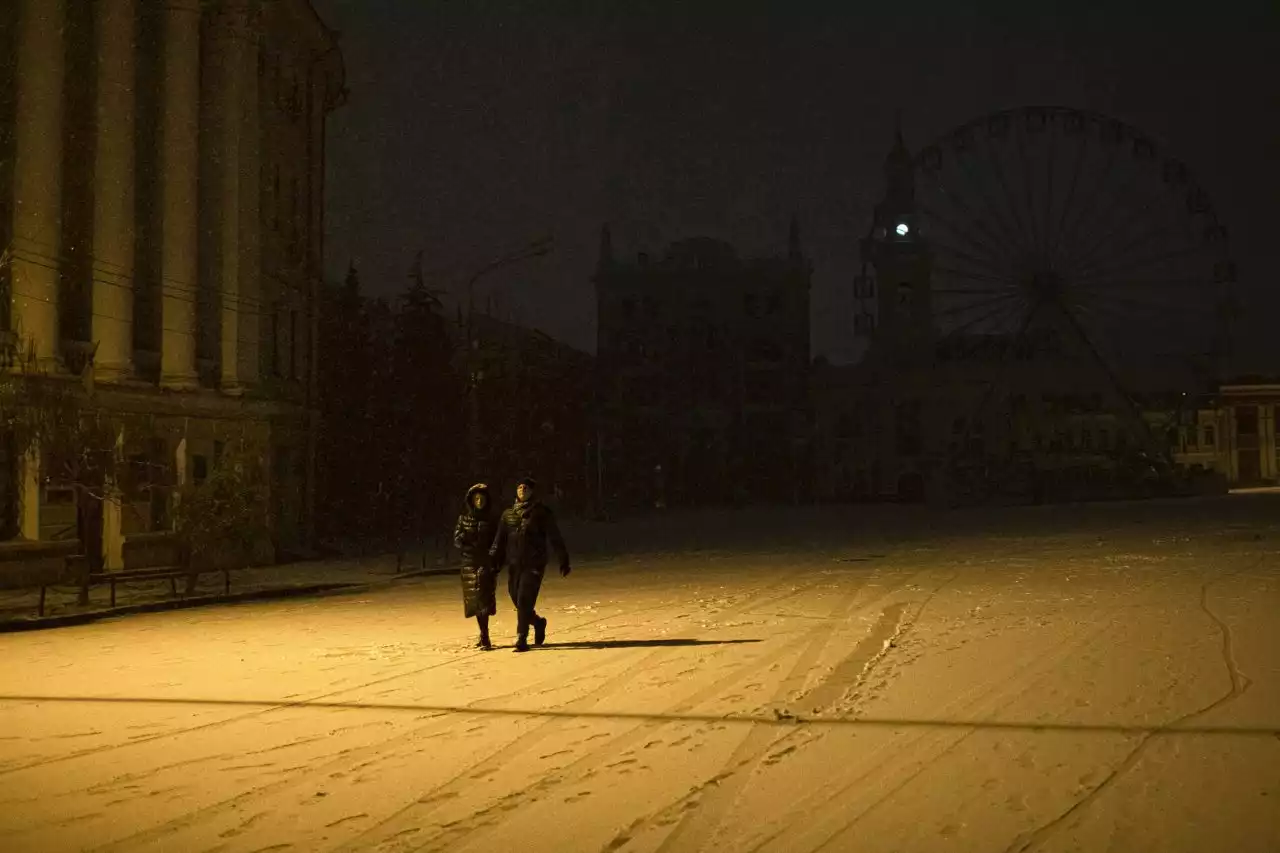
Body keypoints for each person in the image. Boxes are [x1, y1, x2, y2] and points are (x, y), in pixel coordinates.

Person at [490, 476, 571, 652]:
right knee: (515, 597)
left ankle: (521, 637)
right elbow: (499, 540)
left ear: (532, 491)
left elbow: (554, 536)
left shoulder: (541, 512)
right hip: (514, 563)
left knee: (524, 599)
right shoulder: (508, 514)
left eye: (526, 488)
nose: (522, 490)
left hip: (534, 563)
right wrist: (493, 560)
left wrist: (563, 558)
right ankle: (538, 622)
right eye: (519, 487)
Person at [453, 483, 499, 650]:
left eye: (482, 498)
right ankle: (483, 633)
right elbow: (457, 540)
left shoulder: (492, 519)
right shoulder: (463, 519)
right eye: (476, 498)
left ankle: (485, 635)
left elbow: (497, 541)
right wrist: (464, 542)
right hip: (469, 564)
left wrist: (494, 558)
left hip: (485, 562)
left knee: (483, 598)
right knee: (474, 601)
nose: (479, 501)